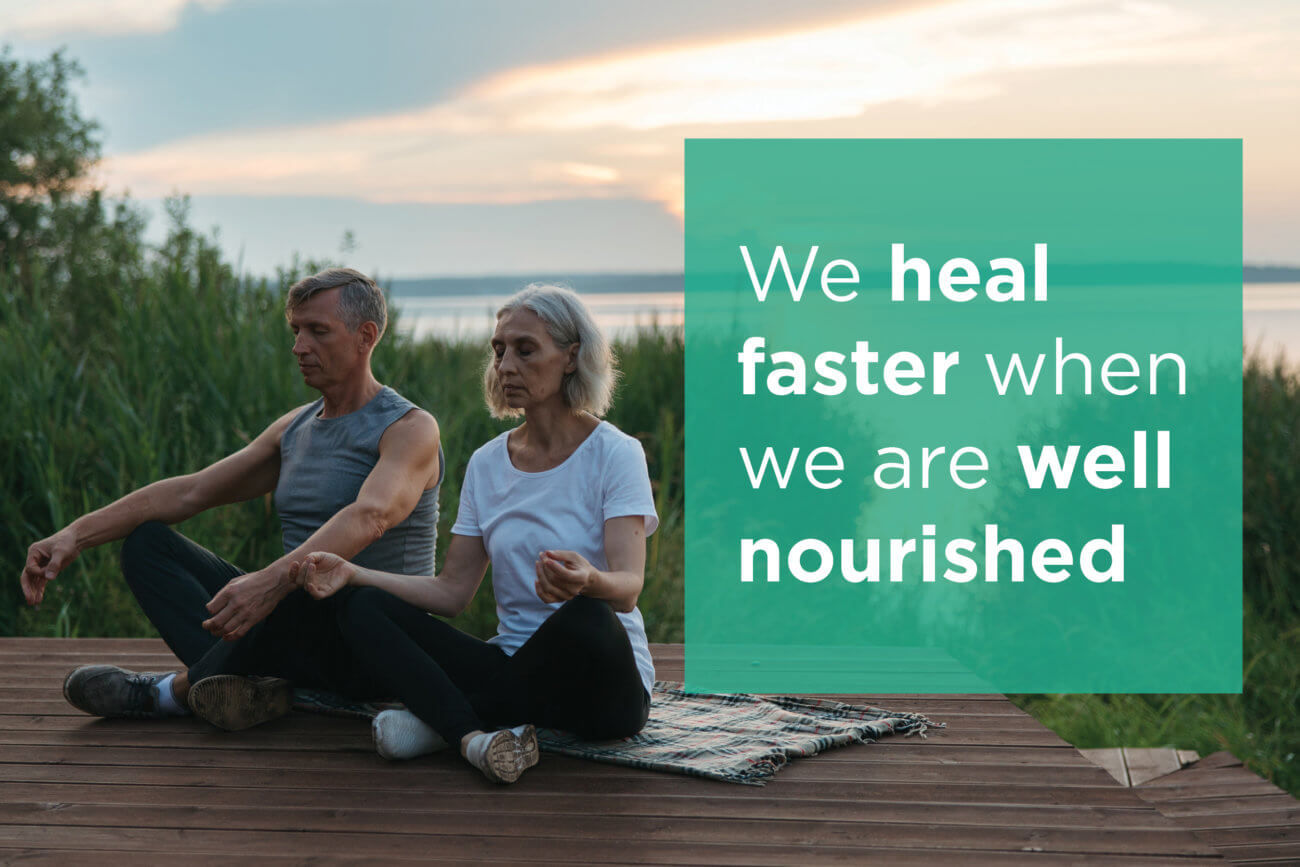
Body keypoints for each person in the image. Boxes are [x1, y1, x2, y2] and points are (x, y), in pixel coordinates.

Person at [19, 267, 443, 730]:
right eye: (295, 331)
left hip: (375, 642)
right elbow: (192, 490)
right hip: (299, 627)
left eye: (317, 331)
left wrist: (271, 581)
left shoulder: (408, 429)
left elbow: (372, 516)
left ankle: (171, 693)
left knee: (309, 590)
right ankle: (245, 688)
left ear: (366, 336)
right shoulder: (295, 428)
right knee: (148, 544)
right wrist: (74, 535)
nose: (299, 347)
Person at [290, 284, 656, 784]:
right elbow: (452, 592)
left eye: (526, 350)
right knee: (361, 604)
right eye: (499, 350)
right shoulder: (487, 463)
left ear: (571, 357)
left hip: (603, 691)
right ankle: (474, 736)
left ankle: (444, 724)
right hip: (510, 666)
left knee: (587, 618)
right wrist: (353, 572)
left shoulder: (616, 453)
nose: (506, 366)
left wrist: (589, 580)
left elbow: (628, 589)